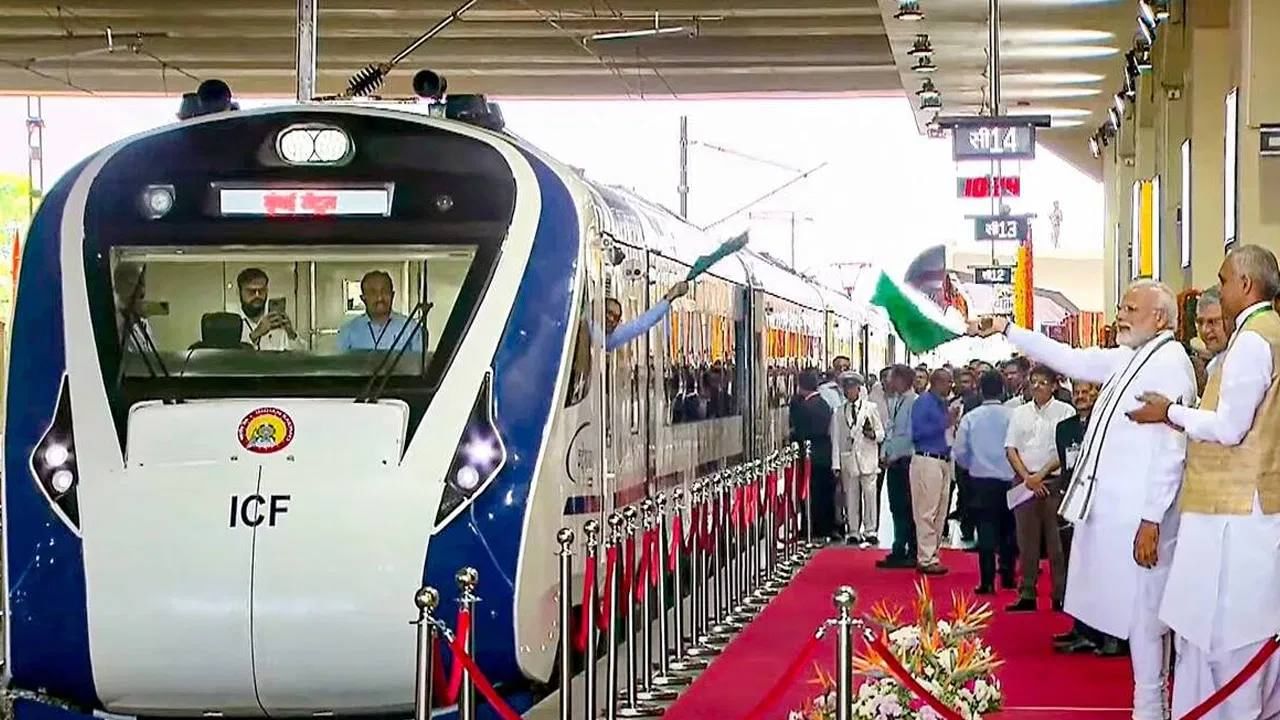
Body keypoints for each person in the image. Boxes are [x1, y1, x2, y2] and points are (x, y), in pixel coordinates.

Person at [969, 278, 1196, 720]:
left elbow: (1173, 448)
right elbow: (1071, 359)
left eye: (1131, 308)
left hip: (1144, 518)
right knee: (1139, 621)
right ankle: (1148, 707)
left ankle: (1152, 710)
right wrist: (1006, 329)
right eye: (1121, 307)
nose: (1121, 316)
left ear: (1160, 318)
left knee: (1149, 622)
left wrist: (1151, 518)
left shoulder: (1168, 363)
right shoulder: (1133, 357)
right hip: (1122, 516)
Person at [1127, 245, 1280, 718]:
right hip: (1252, 506)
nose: (1218, 293)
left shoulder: (1254, 339)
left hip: (1235, 511)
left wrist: (1169, 413)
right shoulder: (1272, 332)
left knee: (1227, 638)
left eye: (1224, 280)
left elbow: (1231, 427)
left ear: (1245, 285)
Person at [1051, 380, 1126, 657]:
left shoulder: (1110, 424)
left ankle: (1109, 634)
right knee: (1076, 569)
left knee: (1105, 572)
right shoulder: (1065, 428)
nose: (1082, 397)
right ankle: (1082, 630)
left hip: (1105, 505)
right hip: (1073, 502)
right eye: (1078, 393)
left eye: (1087, 392)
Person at [1004, 364, 1076, 612]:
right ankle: (1027, 592)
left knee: (1056, 542)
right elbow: (1010, 448)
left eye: (1043, 382)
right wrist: (1027, 477)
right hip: (1024, 482)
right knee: (1026, 541)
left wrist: (1042, 475)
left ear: (1054, 385)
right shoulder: (1019, 412)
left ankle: (1060, 593)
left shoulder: (1065, 412)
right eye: (1033, 381)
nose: (1037, 386)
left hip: (1053, 482)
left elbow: (1066, 451)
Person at [952, 370, 1017, 594]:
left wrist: (971, 465)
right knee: (1009, 529)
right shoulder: (1013, 415)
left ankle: (987, 581)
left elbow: (959, 450)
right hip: (1010, 478)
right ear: (1002, 390)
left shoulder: (971, 417)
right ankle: (1008, 575)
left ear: (980, 390)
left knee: (986, 530)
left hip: (980, 480)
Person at [910, 367, 955, 576]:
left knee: (940, 511)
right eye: (948, 382)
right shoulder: (923, 403)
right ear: (936, 383)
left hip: (944, 459)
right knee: (927, 511)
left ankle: (933, 554)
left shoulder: (943, 404)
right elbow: (917, 433)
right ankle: (926, 557)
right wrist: (945, 422)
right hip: (927, 459)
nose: (951, 386)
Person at [832, 372, 884, 546]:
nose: (850, 392)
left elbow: (881, 434)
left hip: (868, 459)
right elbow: (836, 439)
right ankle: (853, 530)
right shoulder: (839, 412)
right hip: (849, 460)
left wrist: (872, 434)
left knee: (870, 496)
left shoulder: (871, 408)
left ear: (859, 389)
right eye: (846, 389)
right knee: (851, 497)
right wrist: (836, 463)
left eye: (852, 388)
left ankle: (871, 530)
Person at [877, 364, 918, 568]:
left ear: (902, 380)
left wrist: (895, 455)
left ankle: (910, 548)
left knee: (906, 507)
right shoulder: (897, 401)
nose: (888, 382)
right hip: (894, 460)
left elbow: (909, 434)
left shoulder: (913, 402)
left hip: (905, 461)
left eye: (892, 378)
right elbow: (892, 431)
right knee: (896, 506)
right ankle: (899, 546)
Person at [790, 369, 837, 540]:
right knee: (824, 493)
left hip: (810, 458)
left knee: (810, 493)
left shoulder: (804, 407)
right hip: (825, 455)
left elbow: (801, 432)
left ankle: (811, 527)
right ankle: (825, 526)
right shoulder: (823, 404)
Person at [337, 270, 425, 353]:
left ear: (392, 295)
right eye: (373, 292)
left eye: (385, 291)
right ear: (363, 298)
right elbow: (340, 367)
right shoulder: (348, 331)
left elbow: (420, 366)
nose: (380, 298)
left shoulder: (411, 328)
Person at [604, 281, 689, 351]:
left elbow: (641, 324)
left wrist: (670, 297)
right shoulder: (594, 330)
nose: (611, 319)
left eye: (616, 318)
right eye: (609, 313)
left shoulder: (610, 339)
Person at [234, 268, 303, 351]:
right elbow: (229, 358)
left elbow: (303, 357)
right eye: (251, 291)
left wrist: (291, 334)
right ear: (239, 292)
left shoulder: (276, 321)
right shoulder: (232, 323)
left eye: (261, 290)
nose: (257, 295)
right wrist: (255, 335)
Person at [1190, 285, 1228, 395]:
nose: (1205, 330)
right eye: (1200, 322)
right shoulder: (1212, 366)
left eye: (1212, 322)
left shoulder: (1240, 362)